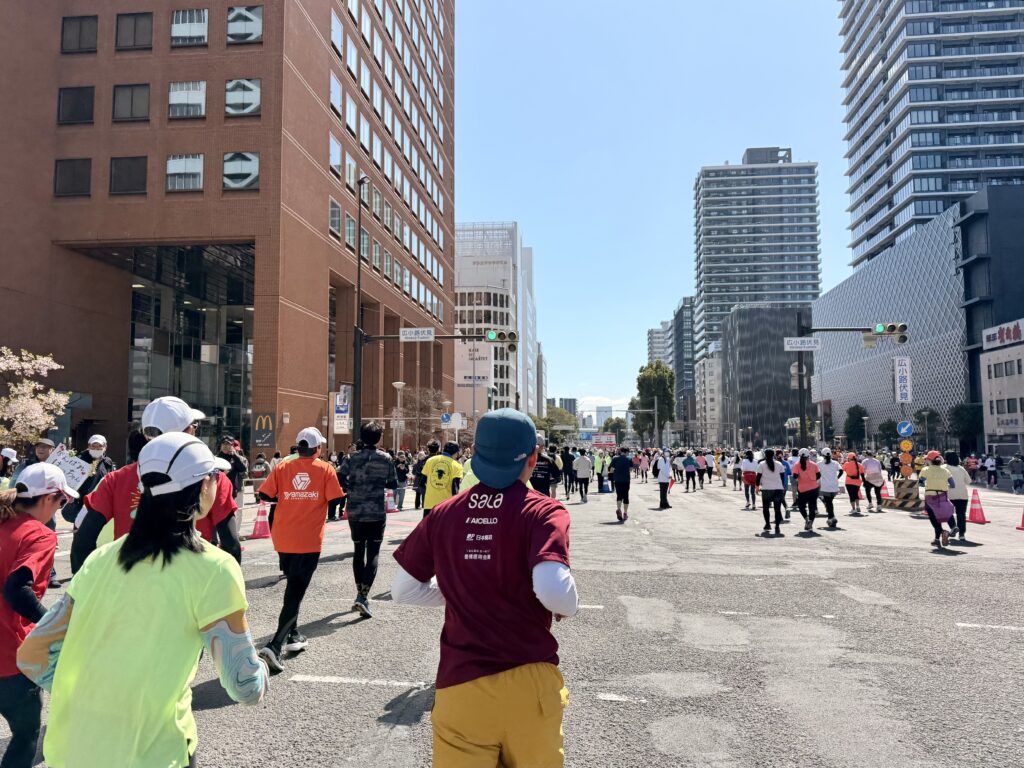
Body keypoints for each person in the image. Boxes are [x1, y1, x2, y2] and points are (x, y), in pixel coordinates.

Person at [19, 434, 267, 767]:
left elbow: (32, 655)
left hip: (69, 750)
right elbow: (245, 685)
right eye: (213, 476)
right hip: (151, 753)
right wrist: (263, 665)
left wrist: (91, 692)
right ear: (200, 487)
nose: (216, 482)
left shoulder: (101, 558)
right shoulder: (215, 568)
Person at [391, 409, 578, 767]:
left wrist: (459, 593)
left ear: (475, 453)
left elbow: (403, 591)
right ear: (532, 457)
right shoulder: (544, 511)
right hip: (529, 679)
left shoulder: (444, 513)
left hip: (459, 683)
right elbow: (552, 587)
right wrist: (571, 606)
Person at [72, 396, 242, 571]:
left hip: (128, 579)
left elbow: (82, 542)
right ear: (190, 431)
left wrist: (88, 584)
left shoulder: (115, 480)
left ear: (147, 435)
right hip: (192, 579)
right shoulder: (210, 477)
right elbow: (231, 543)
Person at [0, 464, 71, 768]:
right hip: (10, 654)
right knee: (26, 733)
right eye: (62, 501)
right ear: (49, 498)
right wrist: (53, 628)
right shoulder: (40, 535)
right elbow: (17, 589)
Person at [256, 427, 343, 672]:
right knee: (295, 591)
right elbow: (336, 500)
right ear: (317, 448)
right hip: (307, 540)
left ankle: (294, 635)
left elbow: (264, 494)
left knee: (293, 585)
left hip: (283, 537)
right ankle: (274, 646)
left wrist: (290, 498)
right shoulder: (325, 468)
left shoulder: (283, 466)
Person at [339, 422, 398, 618]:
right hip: (375, 510)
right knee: (373, 552)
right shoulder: (386, 458)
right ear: (379, 438)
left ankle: (359, 594)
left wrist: (351, 486)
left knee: (358, 550)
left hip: (355, 509)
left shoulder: (351, 458)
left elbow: (339, 476)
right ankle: (362, 597)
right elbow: (392, 483)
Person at [64, 435, 116, 528]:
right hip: (81, 503)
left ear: (105, 447)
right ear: (88, 446)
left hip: (100, 504)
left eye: (99, 446)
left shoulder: (108, 462)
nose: (96, 448)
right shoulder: (79, 460)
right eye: (93, 446)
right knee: (80, 533)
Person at [918, 451, 956, 548]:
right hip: (943, 495)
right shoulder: (945, 471)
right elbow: (952, 485)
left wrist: (928, 483)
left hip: (930, 496)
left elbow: (921, 483)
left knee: (934, 519)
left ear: (930, 460)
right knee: (947, 513)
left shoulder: (925, 469)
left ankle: (943, 532)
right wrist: (943, 485)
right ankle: (951, 528)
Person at [422, 440, 464, 518]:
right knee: (443, 530)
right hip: (445, 506)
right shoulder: (457, 466)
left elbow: (422, 482)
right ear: (455, 453)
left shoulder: (430, 460)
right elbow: (455, 488)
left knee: (428, 529)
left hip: (429, 503)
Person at [756, 450, 787, 536]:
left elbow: (758, 477)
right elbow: (782, 477)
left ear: (765, 455)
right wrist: (782, 487)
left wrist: (757, 487)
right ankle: (777, 526)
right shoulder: (779, 464)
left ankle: (767, 524)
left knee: (766, 508)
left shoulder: (761, 464)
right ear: (774, 455)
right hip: (778, 489)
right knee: (777, 509)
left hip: (766, 489)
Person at [791, 449, 822, 532]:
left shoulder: (797, 465)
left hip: (802, 489)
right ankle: (811, 522)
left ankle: (806, 518)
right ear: (809, 456)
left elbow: (795, 476)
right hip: (814, 489)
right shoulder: (814, 465)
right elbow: (819, 475)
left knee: (801, 506)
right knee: (812, 506)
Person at [217, 435, 249, 510]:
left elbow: (243, 469)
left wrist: (234, 455)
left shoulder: (235, 458)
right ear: (221, 445)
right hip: (219, 490)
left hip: (232, 491)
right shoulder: (217, 458)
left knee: (232, 512)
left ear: (232, 446)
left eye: (228, 444)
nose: (225, 446)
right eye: (224, 444)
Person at [816, 448, 843, 529]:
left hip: (825, 486)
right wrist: (837, 478)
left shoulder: (819, 464)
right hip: (834, 486)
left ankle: (832, 518)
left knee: (829, 503)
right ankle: (830, 518)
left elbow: (816, 474)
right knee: (829, 502)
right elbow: (841, 471)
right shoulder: (835, 463)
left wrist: (819, 478)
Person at [609, 447, 633, 522]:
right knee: (626, 496)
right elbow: (631, 470)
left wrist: (616, 472)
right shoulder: (629, 459)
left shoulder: (615, 459)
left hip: (617, 480)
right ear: (626, 452)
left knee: (619, 495)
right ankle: (625, 513)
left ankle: (619, 509)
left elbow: (611, 470)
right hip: (626, 480)